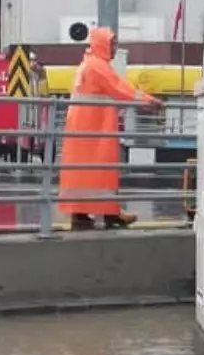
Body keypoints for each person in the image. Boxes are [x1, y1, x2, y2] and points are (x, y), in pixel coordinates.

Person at [58, 27, 162, 230]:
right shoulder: (98, 66)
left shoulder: (88, 64)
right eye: (112, 43)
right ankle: (109, 213)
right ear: (101, 44)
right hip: (96, 129)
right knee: (103, 170)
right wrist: (148, 100)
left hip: (84, 127)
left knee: (83, 172)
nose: (115, 48)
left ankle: (82, 213)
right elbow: (119, 87)